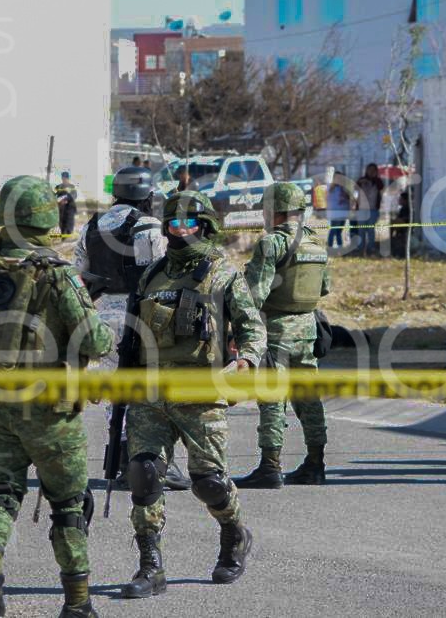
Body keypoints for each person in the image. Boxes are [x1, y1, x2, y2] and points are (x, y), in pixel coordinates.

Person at [0, 175, 113, 618]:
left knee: (0, 494)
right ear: (45, 218)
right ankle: (77, 604)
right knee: (70, 505)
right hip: (51, 411)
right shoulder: (56, 274)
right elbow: (94, 340)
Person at [118, 190, 266, 598]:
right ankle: (150, 567)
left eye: (188, 223)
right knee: (144, 476)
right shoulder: (152, 275)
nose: (180, 231)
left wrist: (247, 361)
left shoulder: (223, 271)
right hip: (150, 394)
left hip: (202, 392)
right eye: (173, 224)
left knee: (209, 482)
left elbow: (252, 326)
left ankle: (234, 534)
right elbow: (131, 336)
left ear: (205, 226)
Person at [73, 165, 191, 491]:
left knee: (118, 395)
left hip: (103, 320)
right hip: (143, 318)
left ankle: (125, 460)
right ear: (147, 194)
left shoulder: (92, 226)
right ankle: (151, 462)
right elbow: (163, 274)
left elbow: (77, 276)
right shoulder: (150, 227)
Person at [235, 183, 331, 489]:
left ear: (273, 211)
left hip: (276, 329)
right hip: (308, 329)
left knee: (272, 397)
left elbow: (254, 294)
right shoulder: (316, 243)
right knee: (309, 398)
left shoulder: (272, 243)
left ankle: (270, 466)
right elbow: (324, 288)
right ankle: (316, 464)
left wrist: (237, 328)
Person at [355, 163, 385, 257]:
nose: (371, 172)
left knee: (371, 230)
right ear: (366, 170)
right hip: (361, 209)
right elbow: (355, 188)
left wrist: (374, 179)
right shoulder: (361, 180)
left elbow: (381, 187)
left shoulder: (378, 181)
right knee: (361, 230)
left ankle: (371, 248)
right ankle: (360, 248)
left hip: (373, 209)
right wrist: (361, 182)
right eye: (369, 169)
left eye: (373, 170)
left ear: (376, 171)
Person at [325, 173, 351, 251]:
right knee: (334, 229)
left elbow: (348, 198)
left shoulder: (344, 188)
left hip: (344, 212)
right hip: (335, 212)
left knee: (339, 230)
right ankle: (330, 245)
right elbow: (328, 199)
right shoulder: (331, 187)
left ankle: (339, 245)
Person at [389, 185, 413, 258]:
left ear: (405, 200)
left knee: (394, 222)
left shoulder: (409, 208)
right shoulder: (402, 208)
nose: (399, 200)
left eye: (401, 199)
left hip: (406, 226)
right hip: (400, 226)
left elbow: (409, 218)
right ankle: (390, 239)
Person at [55, 171, 78, 238]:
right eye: (63, 178)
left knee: (69, 224)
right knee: (62, 224)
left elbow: (74, 195)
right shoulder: (58, 187)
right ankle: (63, 238)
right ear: (62, 178)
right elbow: (54, 195)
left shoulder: (72, 187)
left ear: (68, 178)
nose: (64, 179)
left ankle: (68, 238)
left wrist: (66, 200)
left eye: (66, 178)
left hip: (70, 208)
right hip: (61, 209)